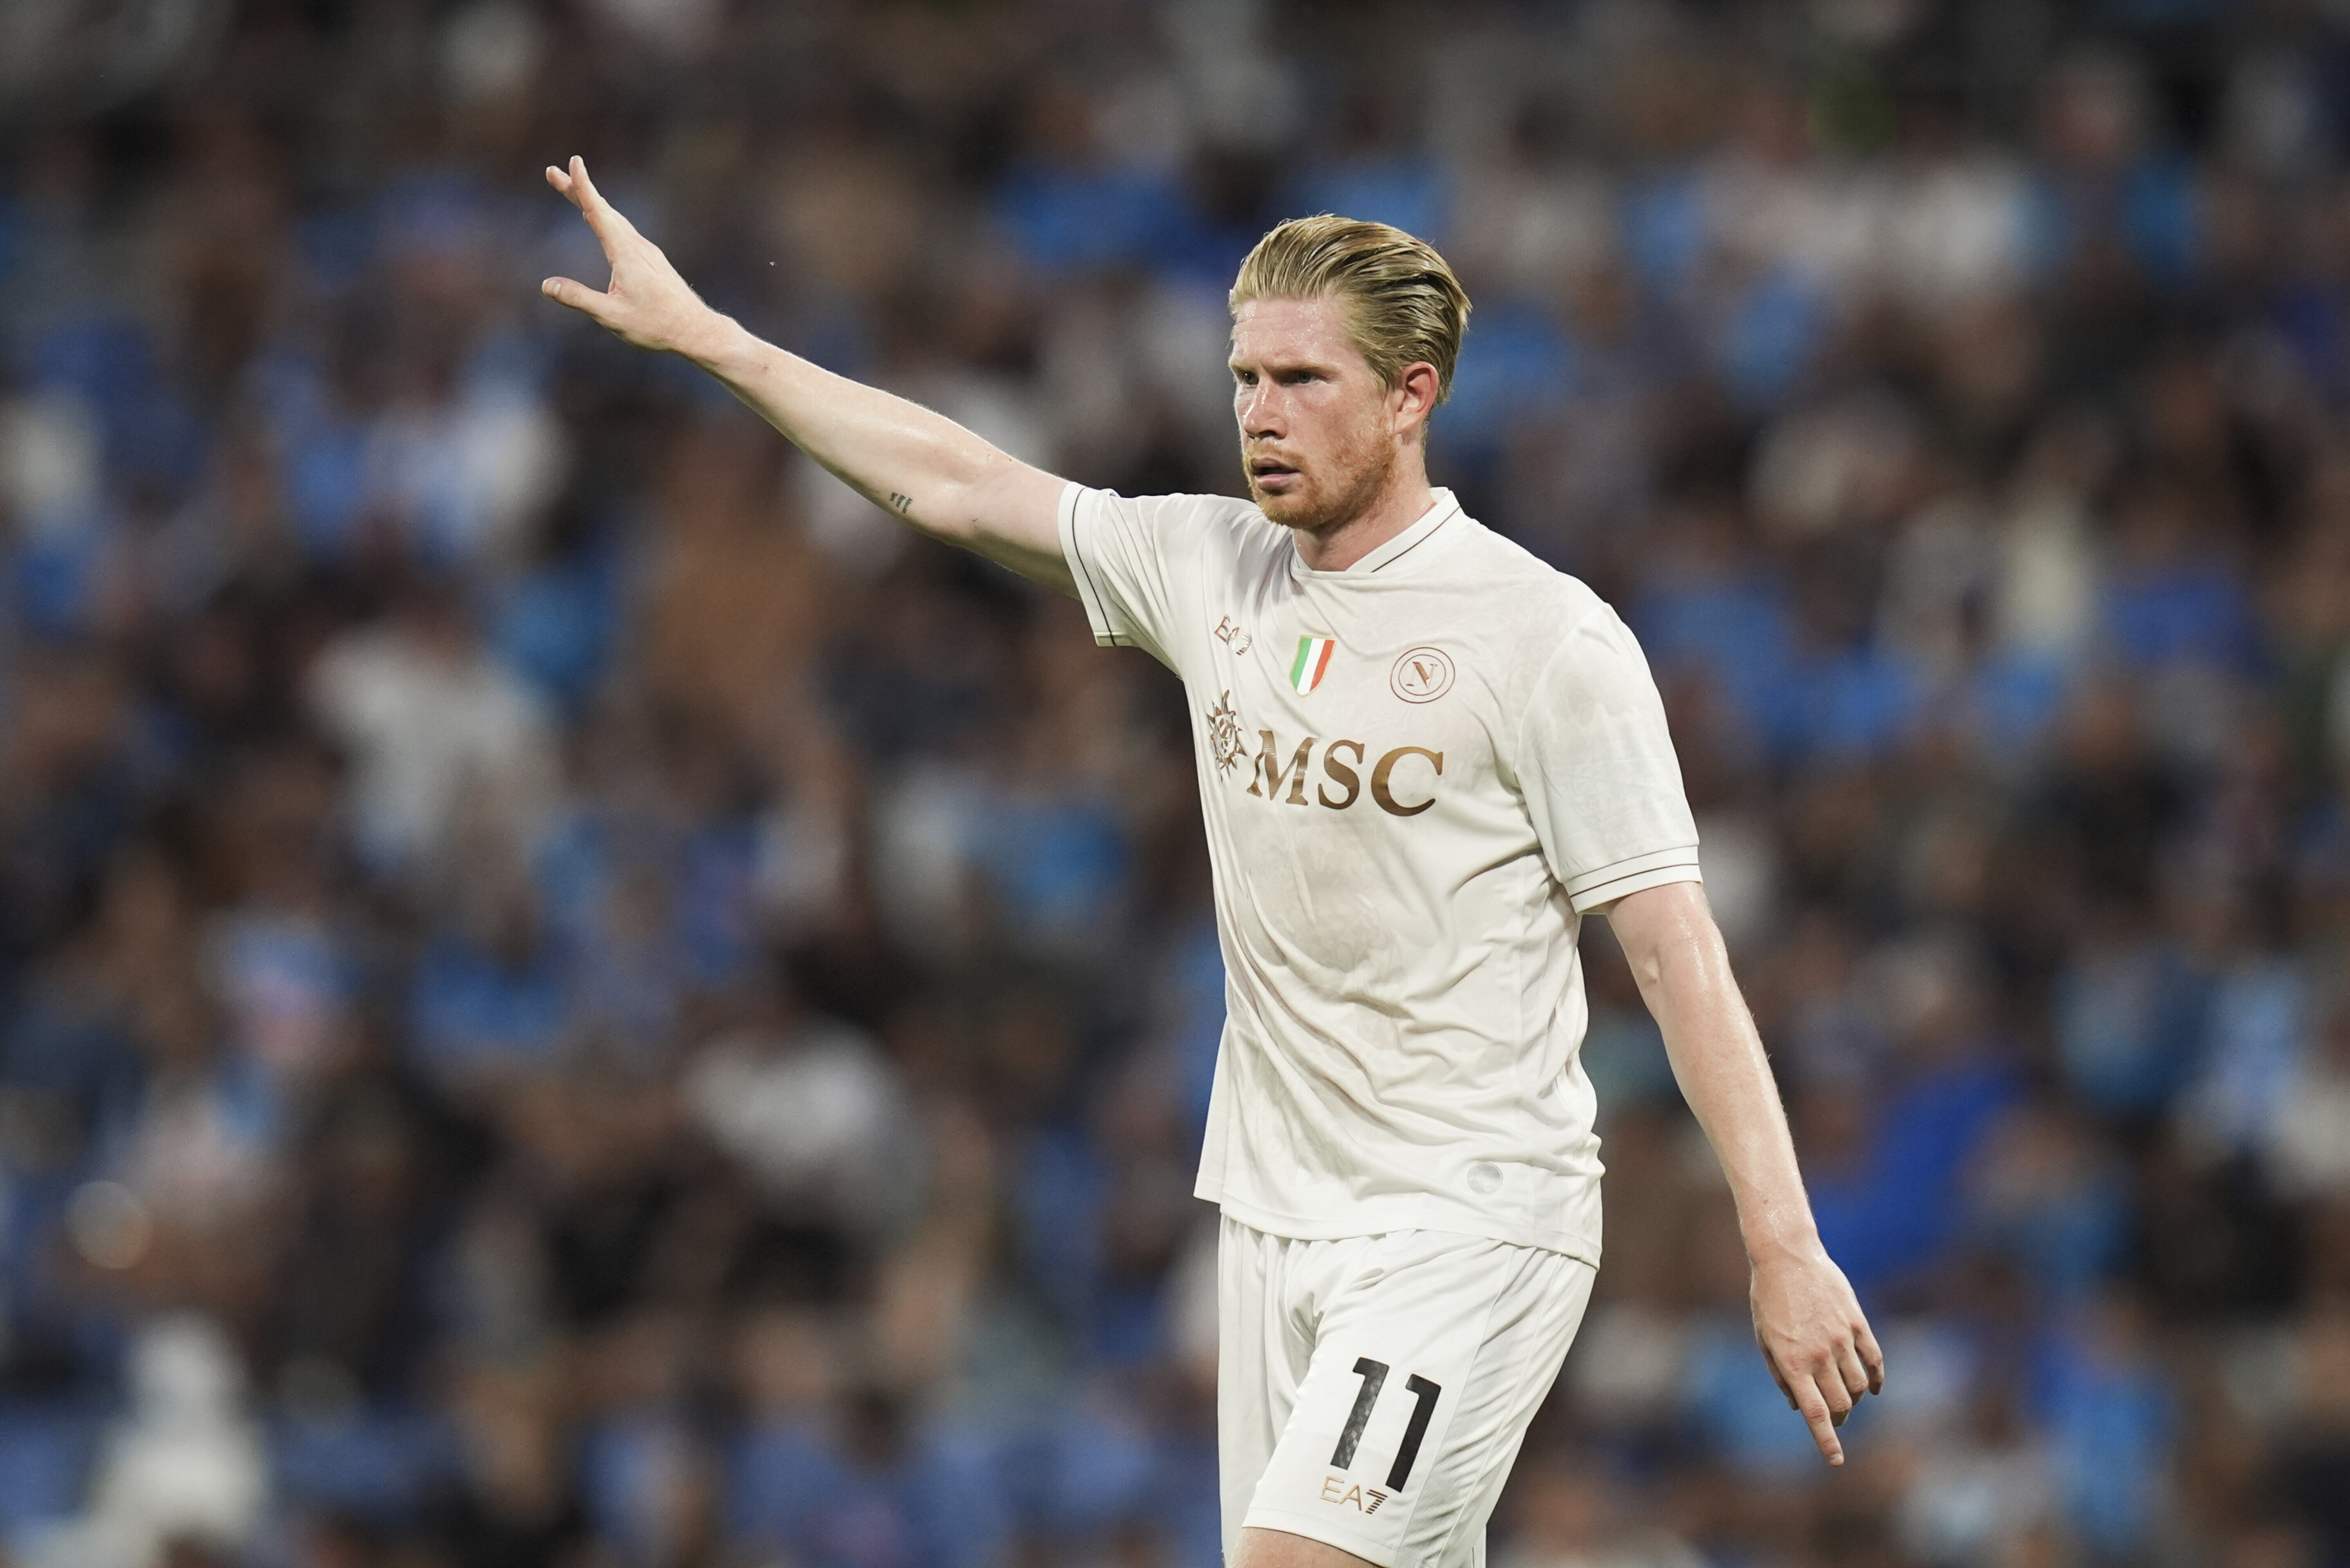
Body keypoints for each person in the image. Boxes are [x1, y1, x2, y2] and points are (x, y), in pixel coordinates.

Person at [539, 156, 1882, 1568]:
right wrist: (716, 341)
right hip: (1273, 1215)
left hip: (1468, 1219)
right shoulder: (1210, 566)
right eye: (1245, 377)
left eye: (1303, 380)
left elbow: (1679, 957)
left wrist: (1782, 1243)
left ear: (1413, 395)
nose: (1259, 414)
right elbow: (956, 485)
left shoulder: (1546, 640)